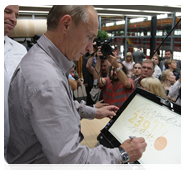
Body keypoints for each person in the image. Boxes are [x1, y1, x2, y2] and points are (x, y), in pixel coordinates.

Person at [7, 6, 147, 170]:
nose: (90, 48)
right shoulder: (46, 79)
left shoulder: (42, 61)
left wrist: (94, 112)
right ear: (66, 25)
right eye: (89, 37)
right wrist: (123, 153)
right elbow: (71, 162)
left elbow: (58, 105)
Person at [4, 5, 28, 159]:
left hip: (16, 139)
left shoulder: (20, 50)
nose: (14, 19)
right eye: (7, 11)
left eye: (16, 15)